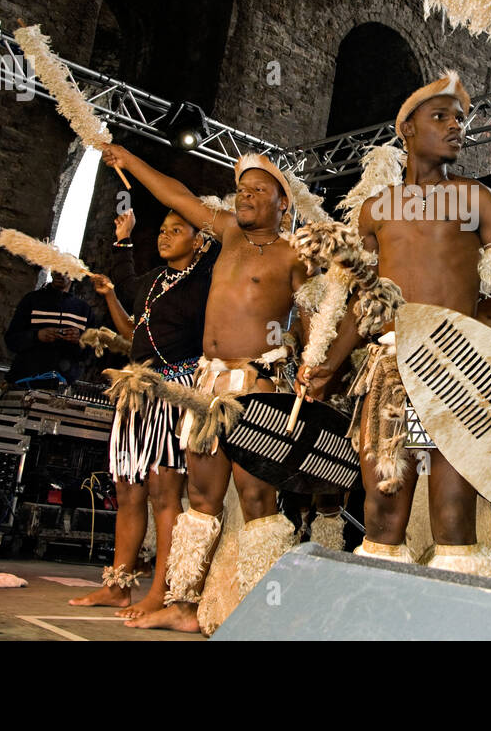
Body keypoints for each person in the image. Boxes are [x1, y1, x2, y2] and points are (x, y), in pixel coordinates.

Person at [299, 72, 491, 575]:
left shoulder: (478, 201)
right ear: (406, 129)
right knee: (382, 513)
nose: (456, 128)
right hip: (391, 368)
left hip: (459, 369)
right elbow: (363, 306)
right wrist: (325, 366)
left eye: (461, 119)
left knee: (453, 516)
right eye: (441, 117)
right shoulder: (375, 212)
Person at [100, 146, 310, 634]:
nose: (247, 196)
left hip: (257, 382)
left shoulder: (295, 254)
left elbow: (315, 315)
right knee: (200, 494)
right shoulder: (227, 232)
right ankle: (184, 604)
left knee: (256, 496)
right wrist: (129, 160)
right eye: (242, 188)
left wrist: (310, 364)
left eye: (260, 189)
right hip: (205, 383)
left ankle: (260, 609)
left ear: (284, 204)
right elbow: (173, 191)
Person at [67, 207, 215, 618]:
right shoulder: (152, 281)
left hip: (173, 392)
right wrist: (112, 290)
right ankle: (118, 586)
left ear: (199, 240)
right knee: (127, 490)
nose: (164, 237)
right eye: (163, 230)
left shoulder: (205, 285)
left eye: (176, 230)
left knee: (164, 493)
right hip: (136, 393)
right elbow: (135, 333)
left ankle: (161, 593)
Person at [3, 269, 97, 386]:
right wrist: (37, 336)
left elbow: (89, 354)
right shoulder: (32, 300)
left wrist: (79, 340)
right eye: (57, 268)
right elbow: (11, 340)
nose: (60, 273)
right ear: (52, 272)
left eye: (66, 270)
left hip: (62, 386)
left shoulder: (84, 310)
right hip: (26, 380)